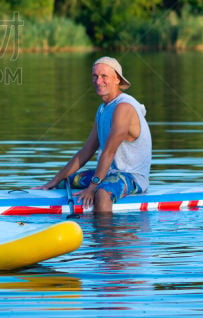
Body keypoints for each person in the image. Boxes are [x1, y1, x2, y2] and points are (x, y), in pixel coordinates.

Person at [36, 56, 151, 213]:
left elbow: (109, 152)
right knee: (66, 182)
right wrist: (54, 181)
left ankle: (104, 234)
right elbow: (86, 151)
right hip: (109, 173)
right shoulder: (103, 109)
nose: (98, 81)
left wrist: (92, 188)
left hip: (132, 177)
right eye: (95, 76)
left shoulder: (124, 107)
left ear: (117, 79)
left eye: (104, 76)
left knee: (102, 194)